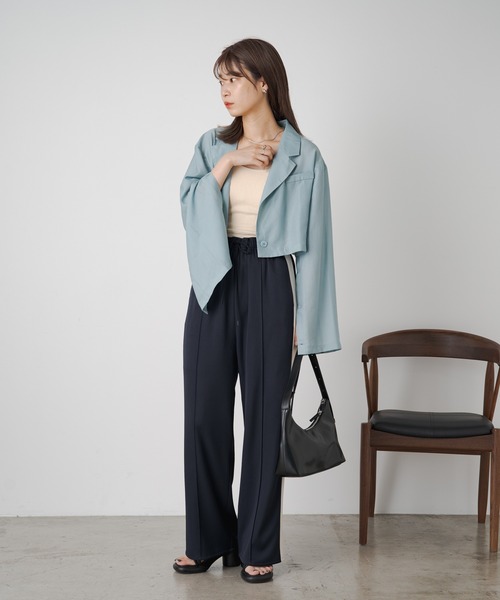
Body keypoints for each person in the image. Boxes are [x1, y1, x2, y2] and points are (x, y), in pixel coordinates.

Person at [174, 38, 341, 584]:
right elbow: (190, 205)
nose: (224, 91)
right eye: (220, 81)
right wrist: (230, 162)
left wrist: (306, 326)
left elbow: (316, 247)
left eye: (234, 79)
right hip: (215, 281)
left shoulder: (304, 156)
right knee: (203, 414)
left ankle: (256, 545)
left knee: (266, 420)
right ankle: (207, 540)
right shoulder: (211, 146)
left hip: (272, 281)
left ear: (263, 81)